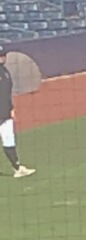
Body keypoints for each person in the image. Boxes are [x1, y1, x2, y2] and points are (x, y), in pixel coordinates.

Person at [0, 44, 35, 177]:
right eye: (1, 56)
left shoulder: (5, 71)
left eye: (4, 55)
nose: (3, 58)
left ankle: (17, 168)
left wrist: (11, 108)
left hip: (5, 113)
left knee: (9, 140)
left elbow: (6, 93)